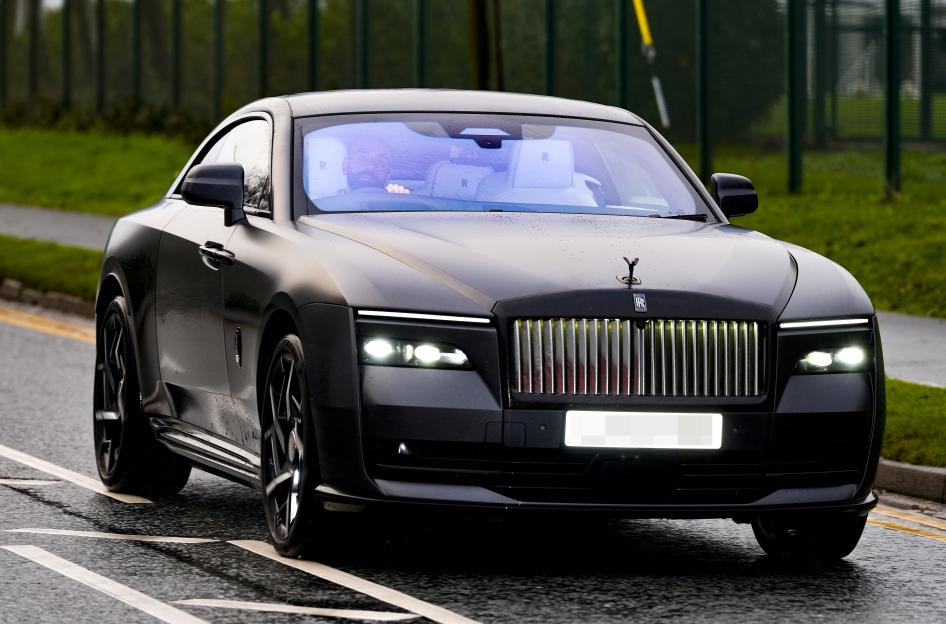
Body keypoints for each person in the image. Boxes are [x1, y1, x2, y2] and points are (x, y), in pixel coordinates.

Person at [343, 137, 410, 194]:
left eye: (380, 162)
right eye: (362, 158)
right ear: (346, 165)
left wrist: (400, 201)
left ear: (388, 174)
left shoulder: (399, 202)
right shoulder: (336, 203)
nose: (370, 166)